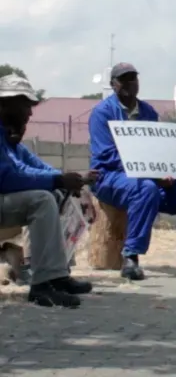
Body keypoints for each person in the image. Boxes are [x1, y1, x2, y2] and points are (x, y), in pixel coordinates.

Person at [88, 62, 176, 281]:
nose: (130, 83)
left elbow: (159, 149)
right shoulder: (102, 114)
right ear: (113, 85)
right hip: (110, 177)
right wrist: (152, 174)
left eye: (134, 78)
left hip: (149, 176)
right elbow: (107, 157)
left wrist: (168, 170)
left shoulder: (148, 112)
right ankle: (131, 257)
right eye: (124, 79)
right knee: (146, 188)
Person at [0, 74, 93, 307]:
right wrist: (57, 180)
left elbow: (31, 167)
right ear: (5, 103)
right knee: (42, 199)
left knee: (53, 194)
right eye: (25, 105)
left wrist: (66, 180)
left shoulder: (8, 138)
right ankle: (42, 285)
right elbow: (8, 177)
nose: (30, 113)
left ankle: (57, 276)